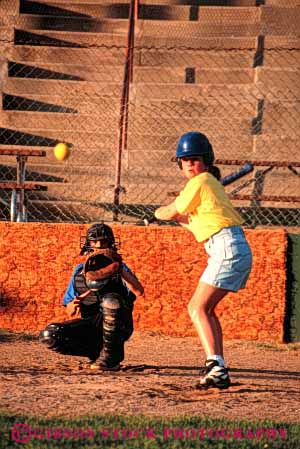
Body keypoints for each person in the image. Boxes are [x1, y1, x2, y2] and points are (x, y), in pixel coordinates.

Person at [154, 131, 252, 389]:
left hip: (226, 248)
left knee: (196, 308)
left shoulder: (201, 181)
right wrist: (179, 219)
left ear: (206, 161)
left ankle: (216, 367)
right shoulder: (209, 185)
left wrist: (157, 212)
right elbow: (199, 225)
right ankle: (217, 365)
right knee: (206, 309)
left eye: (194, 159)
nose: (188, 164)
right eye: (184, 160)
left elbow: (172, 210)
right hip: (230, 246)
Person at [39, 223, 144, 371]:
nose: (99, 245)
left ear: (111, 243)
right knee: (50, 335)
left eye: (104, 241)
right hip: (92, 325)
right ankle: (96, 353)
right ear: (88, 244)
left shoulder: (120, 267)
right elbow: (70, 311)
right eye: (94, 241)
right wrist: (73, 304)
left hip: (120, 326)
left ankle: (112, 356)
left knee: (110, 301)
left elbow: (139, 291)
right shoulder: (79, 271)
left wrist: (119, 269)